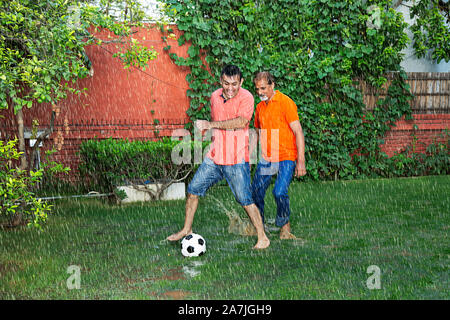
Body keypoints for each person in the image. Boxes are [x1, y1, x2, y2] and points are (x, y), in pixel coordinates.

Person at [167, 65, 270, 249]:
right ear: (220, 81)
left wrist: (210, 123)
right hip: (215, 157)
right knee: (193, 190)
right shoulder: (215, 96)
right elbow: (218, 122)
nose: (230, 88)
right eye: (226, 83)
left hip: (237, 159)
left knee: (245, 200)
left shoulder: (247, 97)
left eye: (234, 84)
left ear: (241, 82)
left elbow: (241, 122)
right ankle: (186, 229)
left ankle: (262, 237)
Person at [251, 71, 306, 239]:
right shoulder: (259, 107)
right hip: (267, 156)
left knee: (279, 191)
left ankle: (285, 226)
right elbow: (257, 133)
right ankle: (259, 226)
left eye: (263, 88)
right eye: (257, 89)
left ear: (272, 85)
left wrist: (301, 161)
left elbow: (298, 131)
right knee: (256, 191)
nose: (260, 92)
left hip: (286, 155)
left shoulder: (285, 102)